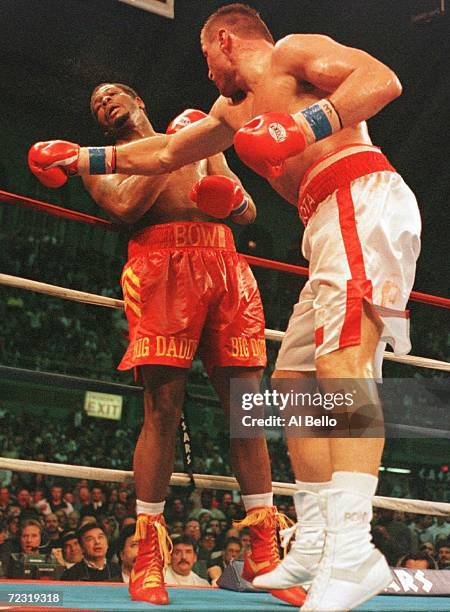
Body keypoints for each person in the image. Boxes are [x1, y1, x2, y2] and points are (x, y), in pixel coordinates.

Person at [28, 3, 422, 608]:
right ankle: (315, 539)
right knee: (291, 382)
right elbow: (162, 156)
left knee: (344, 368)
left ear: (226, 40)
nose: (205, 70)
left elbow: (383, 80)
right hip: (321, 221)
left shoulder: (292, 53)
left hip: (357, 193)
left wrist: (307, 124)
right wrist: (82, 157)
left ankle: (353, 548)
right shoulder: (230, 112)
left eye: (205, 56)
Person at [29, 82, 304, 607]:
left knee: (248, 412)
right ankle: (149, 558)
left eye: (110, 94)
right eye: (94, 105)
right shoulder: (99, 163)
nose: (103, 103)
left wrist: (227, 192)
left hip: (226, 268)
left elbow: (246, 214)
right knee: (161, 408)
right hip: (161, 268)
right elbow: (126, 208)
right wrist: (173, 155)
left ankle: (265, 555)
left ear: (138, 99)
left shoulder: (198, 133)